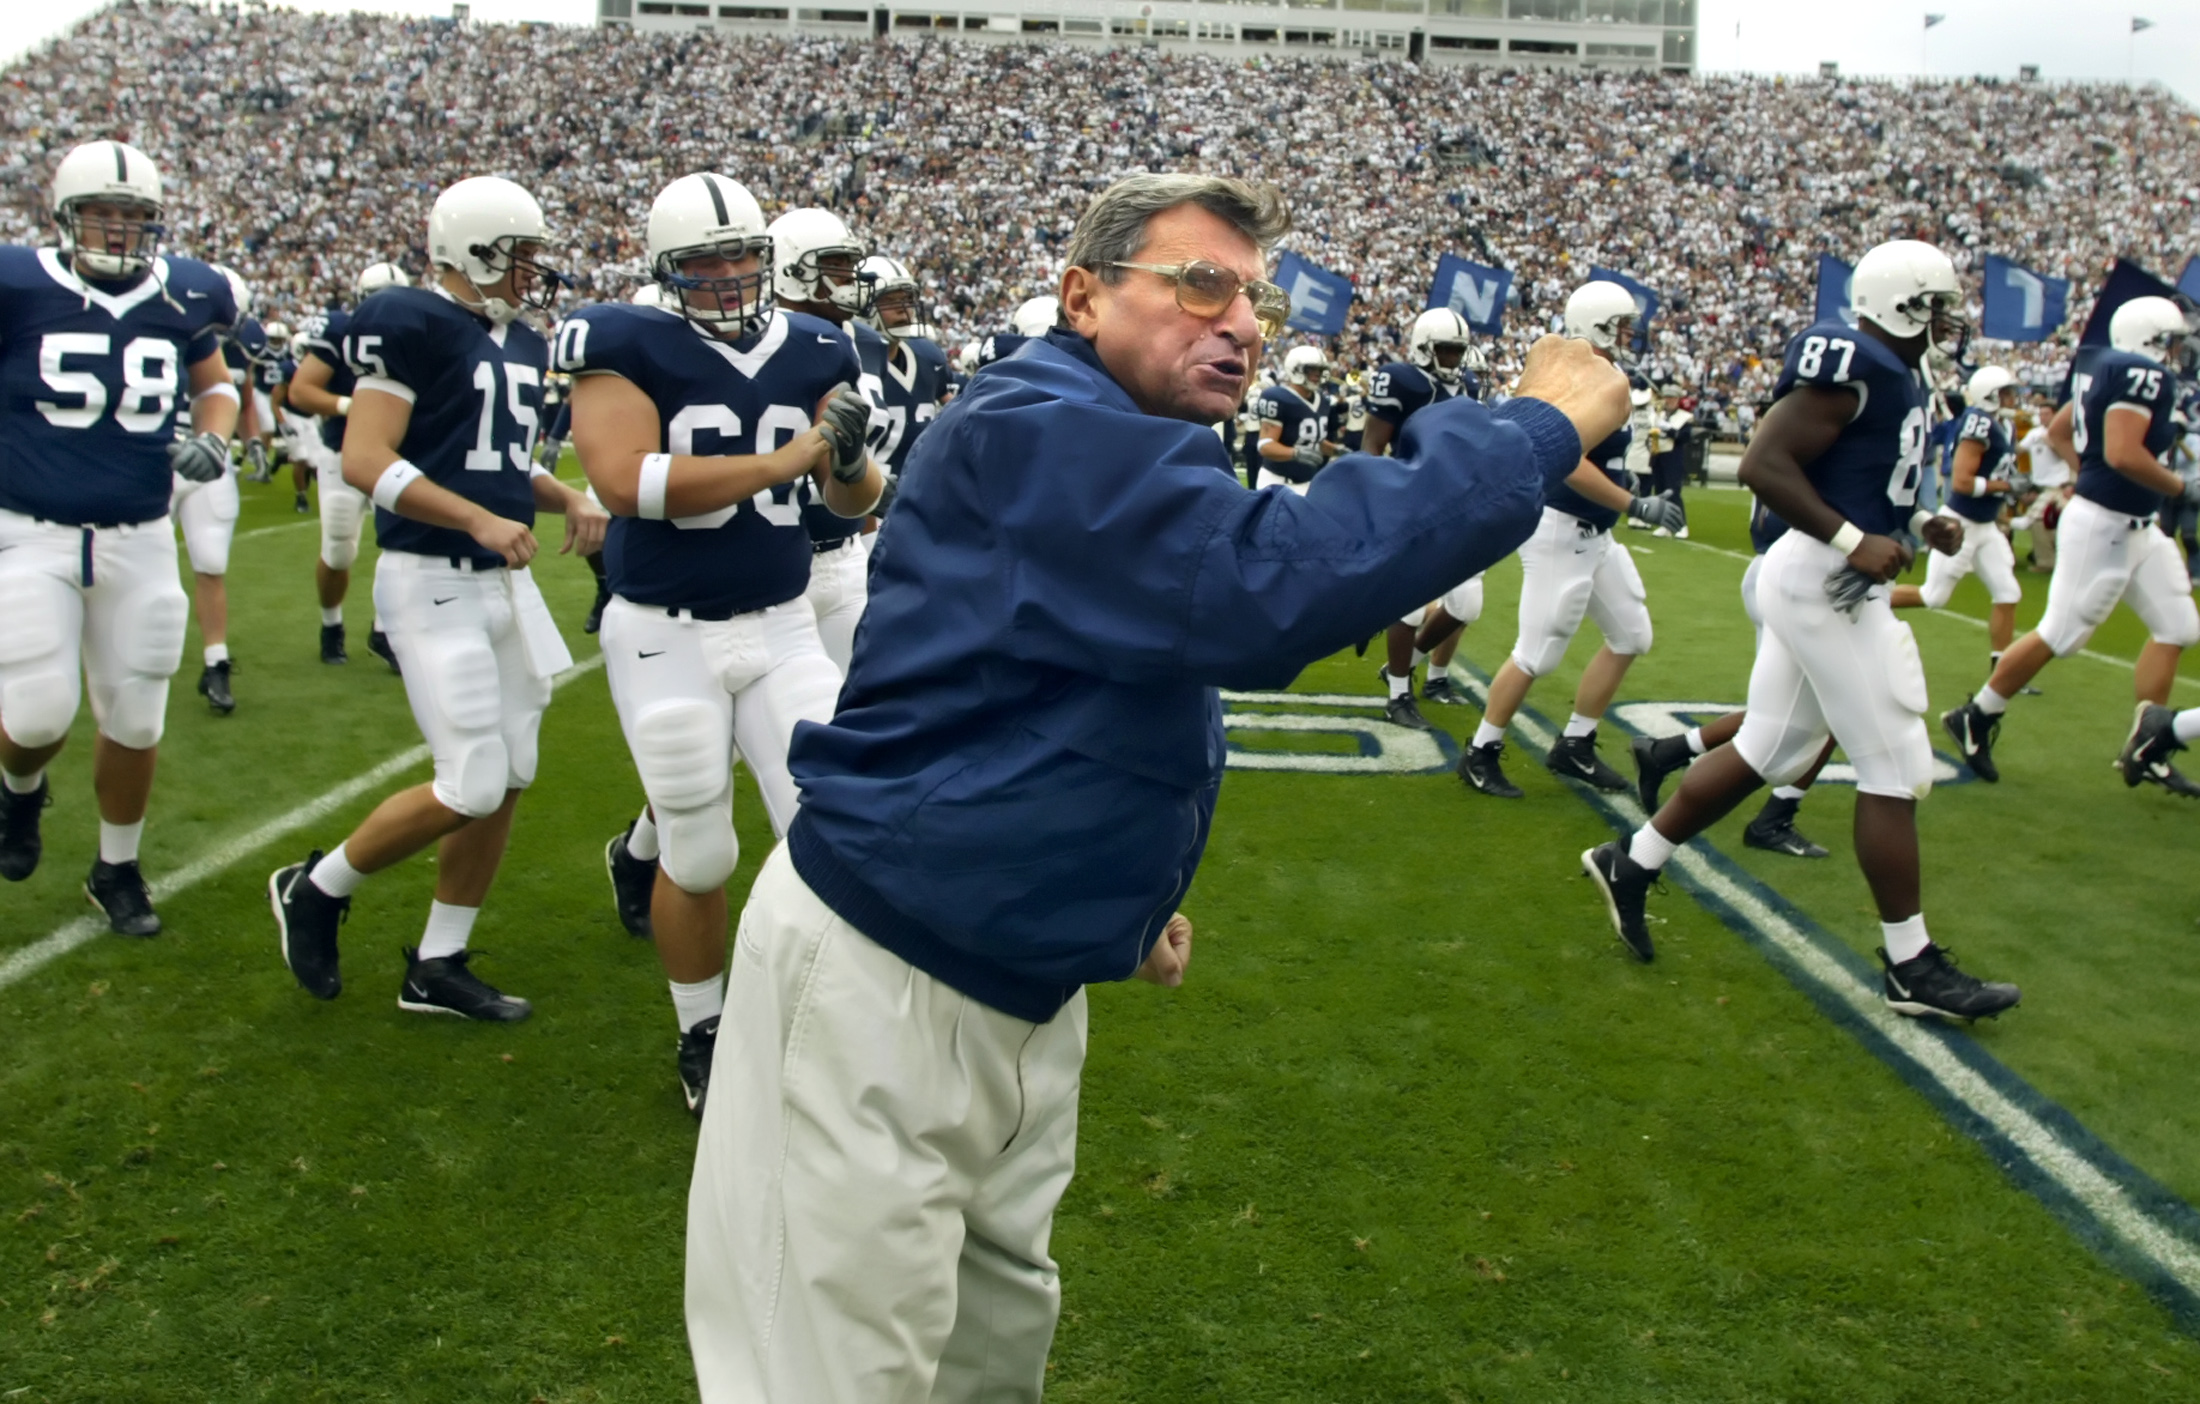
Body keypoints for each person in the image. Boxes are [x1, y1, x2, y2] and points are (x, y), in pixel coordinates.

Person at [682, 171, 1626, 1403]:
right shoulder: (1037, 421)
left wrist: (1111, 899)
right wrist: (1530, 426)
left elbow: (1071, 697)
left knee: (982, 1368)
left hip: (1011, 976)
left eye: (1255, 301)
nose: (1239, 321)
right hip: (887, 976)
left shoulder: (1100, 433)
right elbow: (1261, 588)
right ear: (1082, 297)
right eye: (1200, 285)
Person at [1581, 239, 2021, 1023]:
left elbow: (1851, 476)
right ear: (1905, 304)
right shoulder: (1857, 363)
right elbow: (1764, 463)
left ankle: (1631, 861)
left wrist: (1920, 521)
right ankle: (1910, 965)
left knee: (1769, 749)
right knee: (1896, 763)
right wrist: (1858, 540)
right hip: (1826, 579)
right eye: (1938, 305)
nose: (1948, 321)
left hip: (1823, 575)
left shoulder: (1897, 375)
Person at [572, 173, 881, 1113]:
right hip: (665, 630)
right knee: (699, 850)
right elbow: (624, 481)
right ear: (667, 271)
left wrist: (852, 459)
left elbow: (852, 504)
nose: (726, 276)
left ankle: (824, 1010)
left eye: (740, 255)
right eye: (701, 263)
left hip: (783, 620)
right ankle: (700, 1024)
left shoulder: (823, 343)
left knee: (832, 820)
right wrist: (789, 457)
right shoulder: (623, 340)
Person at [266, 176, 606, 1020]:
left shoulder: (522, 343)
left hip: (501, 585)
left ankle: (437, 963)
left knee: (514, 770)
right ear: (476, 250)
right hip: (432, 579)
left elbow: (487, 460)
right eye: (522, 256)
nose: (534, 272)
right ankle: (316, 886)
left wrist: (563, 495)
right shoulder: (405, 320)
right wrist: (478, 520)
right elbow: (367, 459)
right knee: (471, 781)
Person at [0, 139, 241, 935]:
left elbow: (215, 385)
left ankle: (117, 868)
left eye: (134, 216)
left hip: (138, 536)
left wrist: (216, 432)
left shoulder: (187, 294)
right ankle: (20, 791)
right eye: (102, 215)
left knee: (137, 718)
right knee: (36, 716)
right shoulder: (17, 282)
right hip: (29, 534)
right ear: (67, 217)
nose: (117, 231)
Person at [1942, 297, 2200, 791]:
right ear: (2148, 338)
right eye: (2169, 340)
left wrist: (2092, 473)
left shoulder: (2102, 365)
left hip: (2137, 523)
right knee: (2062, 633)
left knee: (2177, 625)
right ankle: (1975, 715)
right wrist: (2179, 486)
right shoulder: (2137, 372)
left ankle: (2150, 742)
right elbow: (2124, 452)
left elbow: (2061, 431)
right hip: (2106, 525)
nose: (2177, 351)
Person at [1458, 280, 1685, 799]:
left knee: (1632, 635)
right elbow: (1570, 459)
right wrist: (1633, 503)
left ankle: (1575, 744)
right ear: (1596, 323)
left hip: (1596, 534)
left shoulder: (1597, 370)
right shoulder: (1576, 379)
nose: (1629, 333)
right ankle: (1480, 750)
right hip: (1562, 527)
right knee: (1537, 652)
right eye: (1621, 324)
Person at [766, 206, 879, 674]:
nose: (849, 279)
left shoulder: (860, 341)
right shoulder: (755, 342)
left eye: (849, 266)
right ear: (791, 271)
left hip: (849, 547)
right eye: (834, 267)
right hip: (777, 560)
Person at [291, 261, 412, 668]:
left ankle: (384, 631)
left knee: (401, 547)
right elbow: (302, 391)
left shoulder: (421, 334)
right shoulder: (340, 329)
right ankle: (331, 625)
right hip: (341, 454)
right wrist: (351, 406)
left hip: (393, 456)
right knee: (339, 551)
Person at [1365, 307, 1483, 721]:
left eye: (1458, 352)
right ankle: (1399, 694)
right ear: (1424, 348)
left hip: (1457, 504)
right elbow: (1372, 445)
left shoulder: (1468, 383)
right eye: (1447, 351)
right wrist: (1381, 502)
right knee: (1412, 605)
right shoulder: (1401, 379)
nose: (1454, 360)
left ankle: (1403, 665)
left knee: (1467, 603)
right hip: (1411, 497)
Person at [1890, 365, 2025, 688]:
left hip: (1986, 526)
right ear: (1989, 395)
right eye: (2005, 392)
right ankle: (1870, 597)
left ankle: (2002, 671)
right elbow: (1962, 482)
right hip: (1961, 523)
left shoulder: (2002, 424)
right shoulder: (1979, 423)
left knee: (2008, 591)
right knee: (1934, 596)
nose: (2011, 398)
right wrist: (2005, 487)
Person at [173, 263, 258, 715]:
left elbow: (233, 399)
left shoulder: (234, 350)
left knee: (210, 561)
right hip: (160, 454)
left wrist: (251, 439)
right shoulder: (160, 323)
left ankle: (216, 662)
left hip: (209, 456)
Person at [856, 252, 951, 499]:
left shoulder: (928, 356)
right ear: (863, 307)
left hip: (921, 495)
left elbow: (954, 412)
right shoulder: (849, 361)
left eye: (907, 300)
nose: (904, 310)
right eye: (890, 301)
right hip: (867, 501)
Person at [1254, 344, 1340, 492]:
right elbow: (1265, 445)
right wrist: (1295, 453)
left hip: (1308, 482)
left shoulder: (1323, 401)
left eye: (1320, 370)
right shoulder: (1277, 397)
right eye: (1311, 369)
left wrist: (1338, 451)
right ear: (1295, 369)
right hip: (1277, 481)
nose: (1317, 375)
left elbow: (1313, 440)